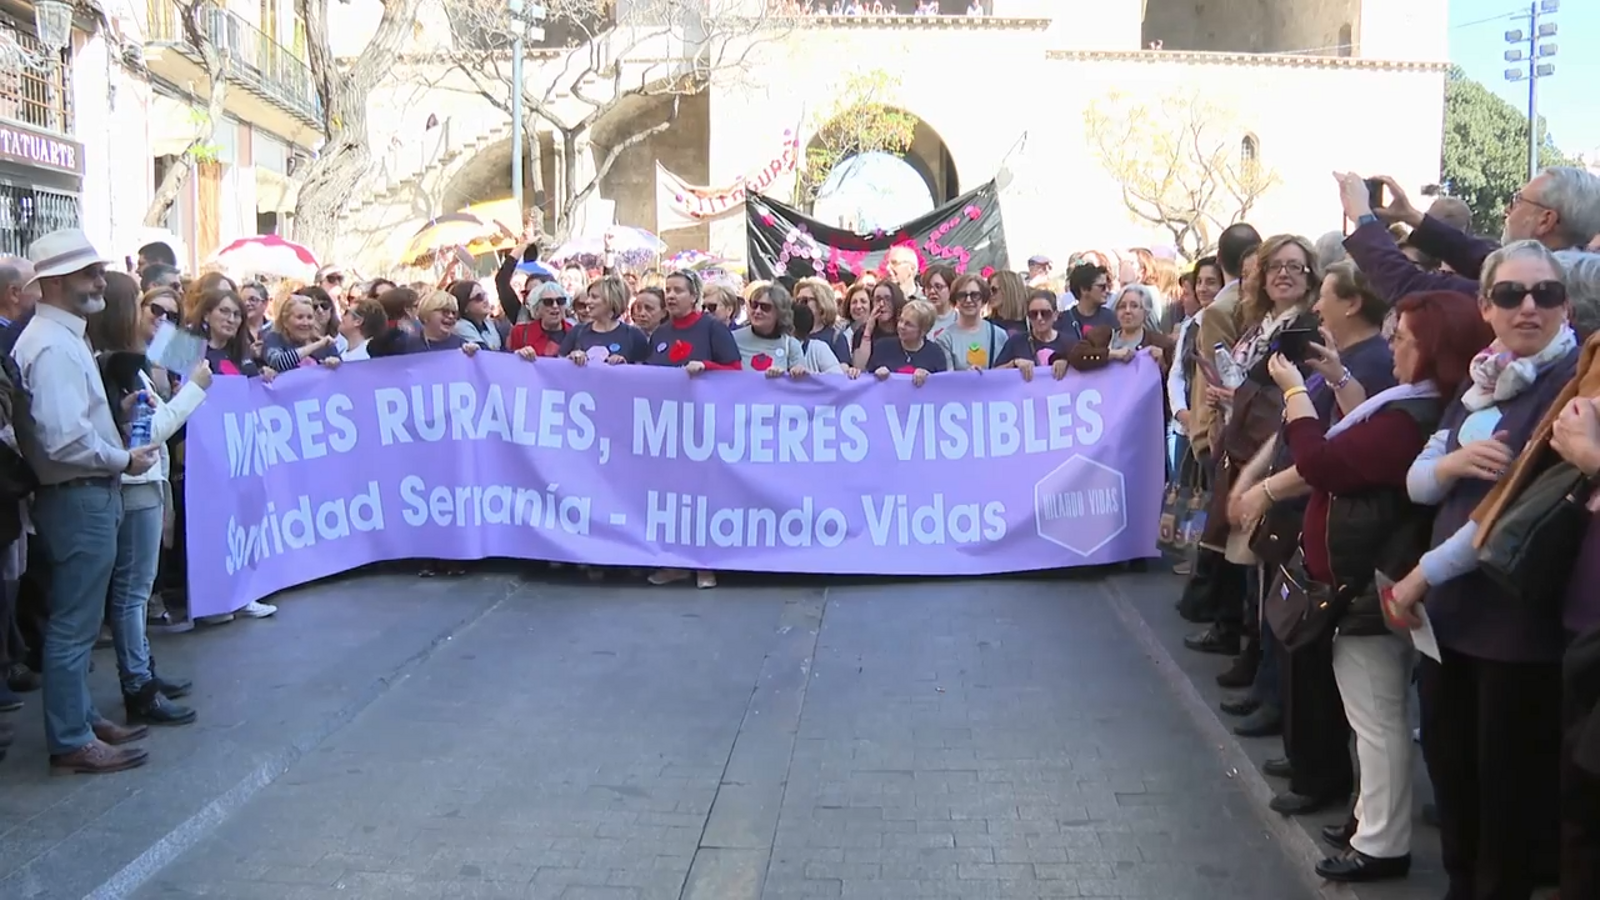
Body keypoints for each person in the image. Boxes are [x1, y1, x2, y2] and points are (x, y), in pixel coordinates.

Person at [13, 229, 161, 774]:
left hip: (82, 493)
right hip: (78, 495)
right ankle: (72, 735)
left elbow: (69, 430)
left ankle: (79, 719)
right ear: (53, 283)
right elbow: (64, 439)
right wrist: (123, 459)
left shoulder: (60, 337)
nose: (100, 280)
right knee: (74, 623)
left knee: (78, 617)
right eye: (88, 273)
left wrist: (114, 425)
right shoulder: (51, 344)